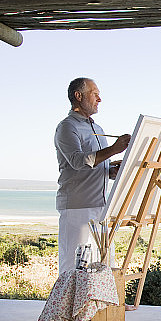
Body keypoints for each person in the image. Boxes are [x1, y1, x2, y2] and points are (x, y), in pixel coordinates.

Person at [54, 77, 130, 274]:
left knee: (102, 265)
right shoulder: (66, 127)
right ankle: (68, 305)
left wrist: (110, 170)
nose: (99, 99)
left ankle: (98, 305)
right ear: (78, 96)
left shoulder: (98, 129)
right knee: (73, 266)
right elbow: (78, 161)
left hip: (101, 208)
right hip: (78, 208)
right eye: (94, 94)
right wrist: (114, 149)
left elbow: (95, 164)